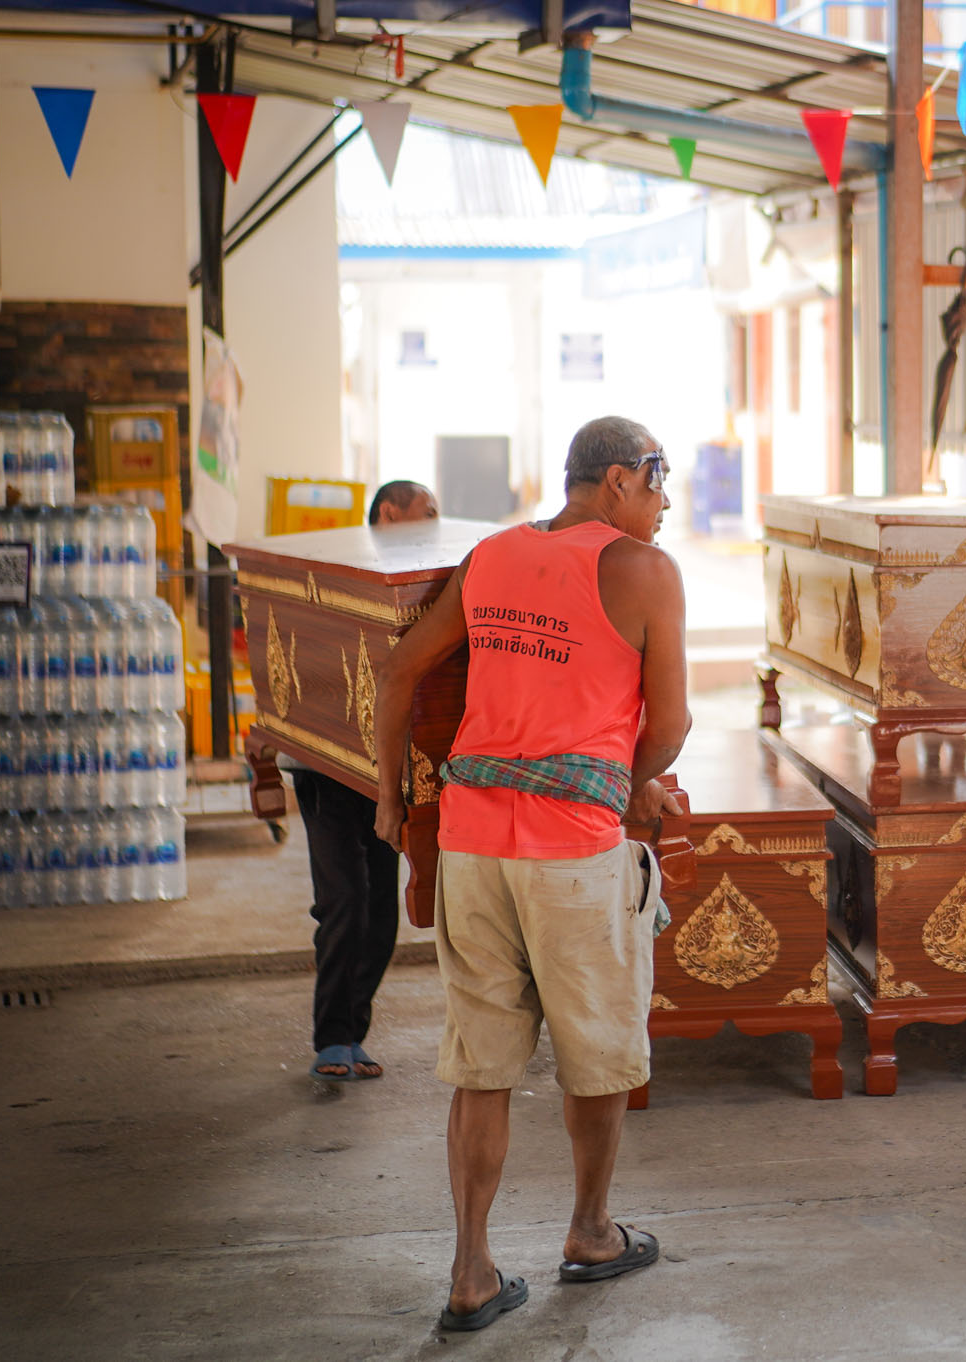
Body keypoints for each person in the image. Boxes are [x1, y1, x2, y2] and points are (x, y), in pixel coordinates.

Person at [372, 417, 689, 1333]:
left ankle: (471, 1273)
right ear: (620, 479)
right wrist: (623, 785)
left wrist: (392, 800)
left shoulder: (492, 556)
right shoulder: (645, 572)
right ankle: (590, 1231)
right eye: (659, 482)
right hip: (572, 853)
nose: (665, 504)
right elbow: (670, 726)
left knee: (481, 1066)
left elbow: (398, 673)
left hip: (472, 843)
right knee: (596, 1056)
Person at [293, 478, 441, 1082]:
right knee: (344, 901)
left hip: (385, 771)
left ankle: (353, 1032)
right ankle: (332, 1036)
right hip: (326, 765)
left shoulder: (416, 584)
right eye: (427, 511)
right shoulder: (345, 570)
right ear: (391, 513)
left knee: (381, 912)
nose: (436, 521)